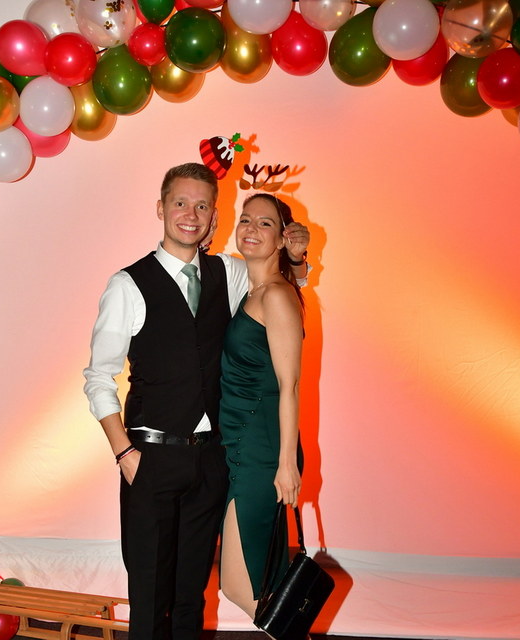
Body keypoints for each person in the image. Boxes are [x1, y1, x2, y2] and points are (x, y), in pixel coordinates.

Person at [82, 163, 309, 640]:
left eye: (202, 205)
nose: (191, 214)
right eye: (181, 203)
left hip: (211, 461)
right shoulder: (127, 285)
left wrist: (299, 255)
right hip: (150, 458)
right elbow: (98, 378)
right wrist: (125, 453)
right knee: (150, 598)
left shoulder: (229, 272)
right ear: (161, 208)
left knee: (191, 597)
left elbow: (280, 288)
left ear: (213, 217)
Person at [218, 193, 305, 620]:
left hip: (262, 453)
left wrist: (286, 464)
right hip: (240, 446)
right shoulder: (253, 290)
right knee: (257, 585)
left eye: (265, 223)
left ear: (282, 238)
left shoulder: (276, 296)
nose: (251, 228)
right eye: (246, 219)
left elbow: (290, 386)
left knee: (243, 587)